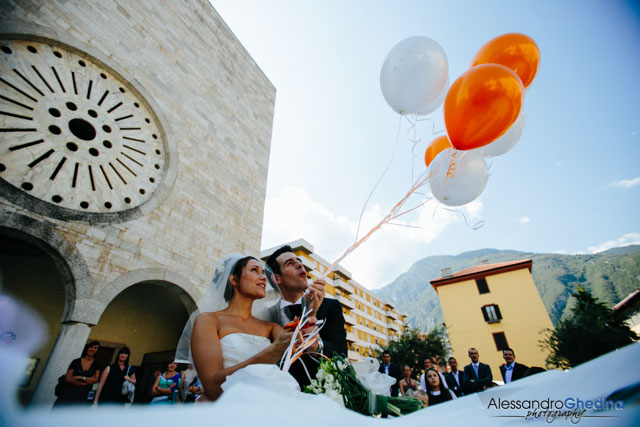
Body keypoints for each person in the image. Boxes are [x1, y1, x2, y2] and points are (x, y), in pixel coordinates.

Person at [188, 254, 295, 401]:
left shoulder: (271, 327)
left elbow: (297, 344)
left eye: (263, 273)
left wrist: (311, 310)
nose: (263, 277)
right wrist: (267, 356)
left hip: (268, 403)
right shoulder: (208, 320)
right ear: (234, 279)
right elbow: (212, 387)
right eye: (254, 270)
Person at [265, 245, 348, 388]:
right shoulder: (267, 315)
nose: (299, 264)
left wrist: (317, 345)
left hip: (323, 394)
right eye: (290, 263)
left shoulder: (330, 306)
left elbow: (341, 353)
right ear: (277, 278)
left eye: (298, 260)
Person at [53, 341, 101, 406]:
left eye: (95, 348)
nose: (92, 349)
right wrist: (86, 382)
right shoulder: (76, 361)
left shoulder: (96, 364)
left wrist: (80, 377)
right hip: (68, 392)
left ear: (97, 350)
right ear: (87, 348)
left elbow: (95, 379)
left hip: (83, 395)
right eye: (90, 347)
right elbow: (68, 378)